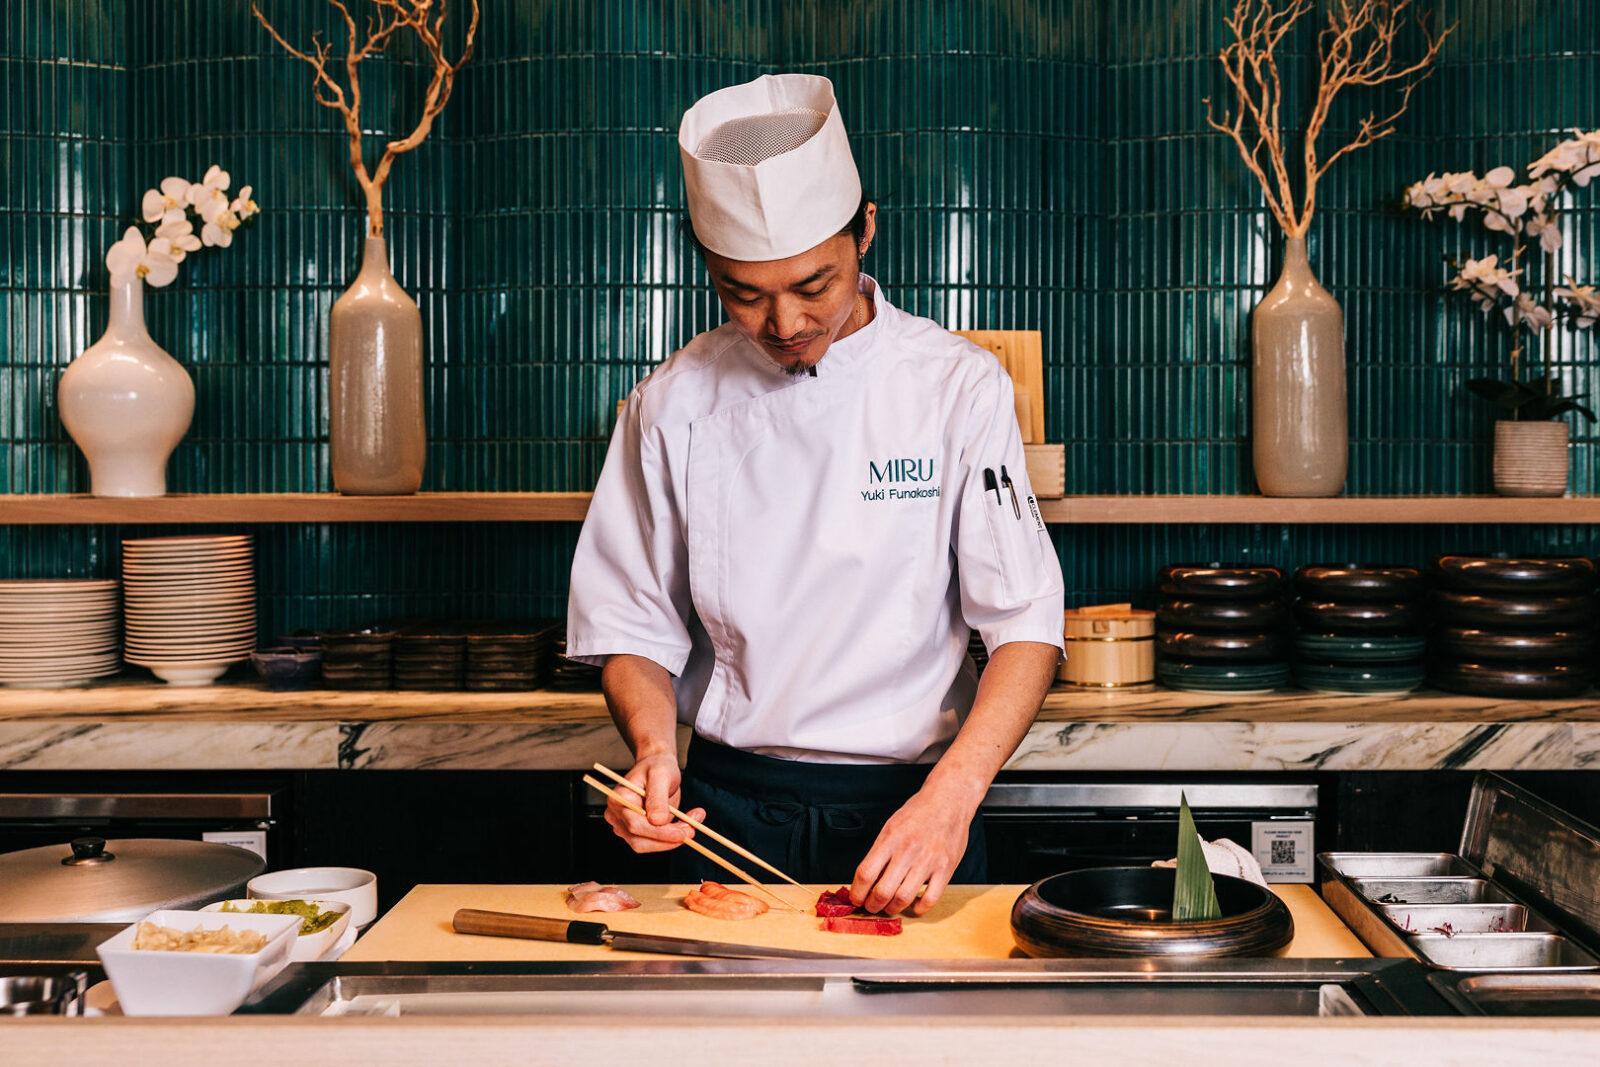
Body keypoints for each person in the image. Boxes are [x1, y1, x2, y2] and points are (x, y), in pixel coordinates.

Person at [567, 74, 1064, 916]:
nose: (785, 323)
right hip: (722, 805)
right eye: (745, 294)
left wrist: (951, 800)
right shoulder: (673, 400)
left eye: (814, 285)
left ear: (865, 230)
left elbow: (1024, 627)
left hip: (911, 809)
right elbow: (630, 625)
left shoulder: (956, 387)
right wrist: (653, 749)